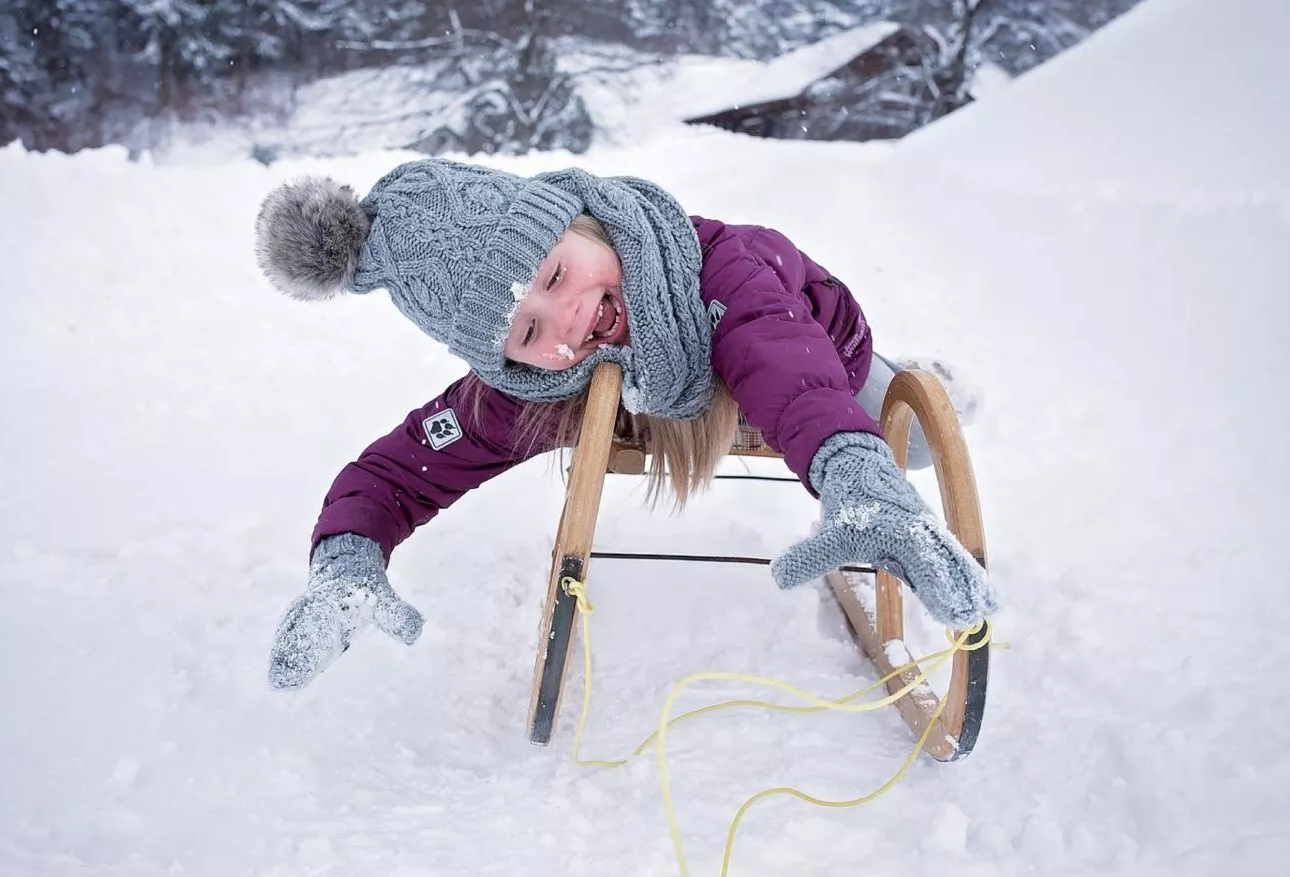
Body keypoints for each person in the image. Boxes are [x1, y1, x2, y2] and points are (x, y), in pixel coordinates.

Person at [252, 158, 998, 691]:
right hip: (665, 402)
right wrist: (345, 562)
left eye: (553, 277)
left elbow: (787, 373)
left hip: (814, 352)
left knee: (920, 442)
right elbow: (397, 470)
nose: (569, 318)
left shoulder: (723, 272)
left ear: (584, 223)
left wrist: (860, 479)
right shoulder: (541, 386)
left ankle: (928, 381)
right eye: (527, 331)